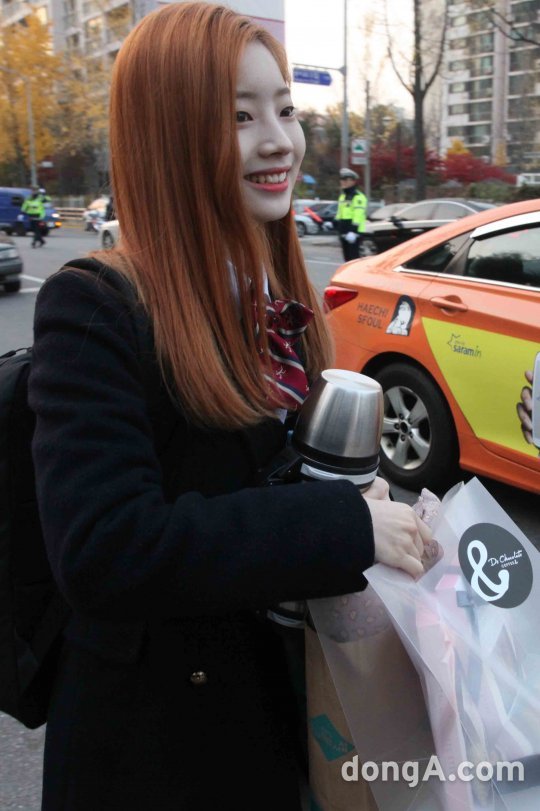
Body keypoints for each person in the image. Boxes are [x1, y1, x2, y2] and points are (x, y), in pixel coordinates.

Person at [28, 4, 431, 809]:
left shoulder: (275, 294)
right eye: (239, 117)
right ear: (168, 137)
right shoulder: (95, 307)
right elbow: (105, 548)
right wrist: (343, 526)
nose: (279, 140)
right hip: (156, 753)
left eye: (285, 108)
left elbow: (268, 483)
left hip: (278, 716)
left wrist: (370, 504)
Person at [334, 167, 368, 261]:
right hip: (344, 230)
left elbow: (358, 215)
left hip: (354, 232)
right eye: (342, 179)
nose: (342, 182)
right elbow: (340, 213)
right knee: (347, 259)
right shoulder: (343, 196)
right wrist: (334, 222)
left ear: (353, 181)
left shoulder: (358, 197)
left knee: (354, 258)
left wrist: (353, 231)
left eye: (345, 179)